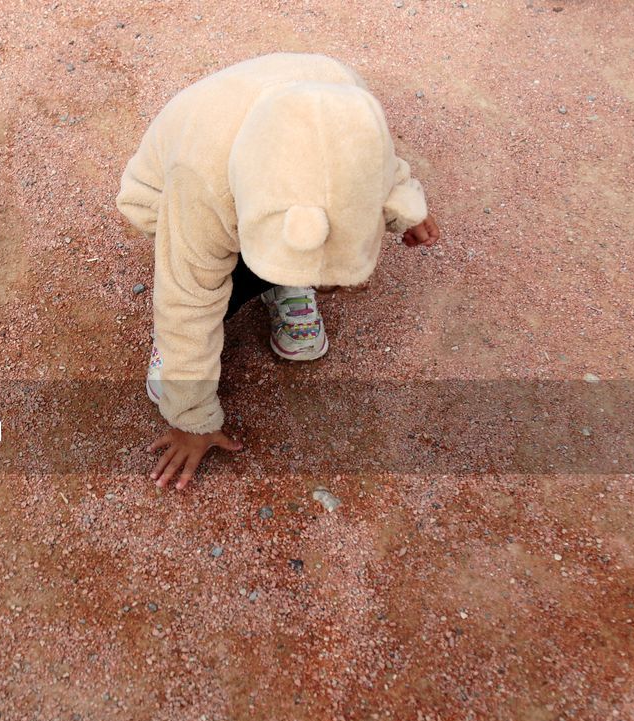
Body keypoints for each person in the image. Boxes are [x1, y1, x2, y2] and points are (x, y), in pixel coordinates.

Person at [117, 53, 441, 490]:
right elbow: (187, 299)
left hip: (238, 169)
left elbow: (372, 157)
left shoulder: (343, 91)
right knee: (212, 280)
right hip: (169, 197)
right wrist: (191, 417)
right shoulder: (200, 181)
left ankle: (284, 274)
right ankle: (253, 288)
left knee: (279, 256)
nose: (330, 290)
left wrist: (403, 206)